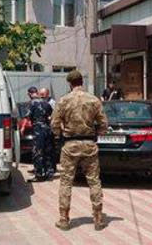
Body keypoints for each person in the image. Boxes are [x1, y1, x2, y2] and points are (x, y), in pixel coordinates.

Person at [51, 70, 108, 231]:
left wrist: (61, 133)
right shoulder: (94, 100)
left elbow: (54, 125)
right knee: (94, 181)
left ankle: (64, 220)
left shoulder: (63, 100)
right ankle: (98, 219)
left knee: (66, 183)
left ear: (70, 83)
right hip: (89, 145)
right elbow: (104, 125)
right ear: (81, 81)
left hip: (70, 146)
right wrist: (96, 133)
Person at [26, 87, 54, 181]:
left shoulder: (32, 103)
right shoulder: (46, 103)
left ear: (30, 94)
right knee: (47, 152)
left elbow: (28, 116)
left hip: (38, 130)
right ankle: (49, 174)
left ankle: (39, 175)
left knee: (38, 152)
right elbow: (51, 116)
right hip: (48, 130)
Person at [39, 88, 59, 175]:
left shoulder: (52, 103)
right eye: (40, 96)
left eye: (43, 95)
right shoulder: (42, 102)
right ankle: (46, 167)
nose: (41, 97)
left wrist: (50, 118)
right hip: (45, 128)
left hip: (51, 128)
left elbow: (56, 115)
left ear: (47, 94)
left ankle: (52, 168)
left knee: (51, 149)